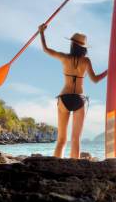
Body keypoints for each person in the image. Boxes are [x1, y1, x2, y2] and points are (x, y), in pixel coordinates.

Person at [39, 24, 107, 158]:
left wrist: (41, 33)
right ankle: (73, 168)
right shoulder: (86, 61)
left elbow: (46, 50)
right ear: (83, 48)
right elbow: (95, 79)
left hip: (64, 98)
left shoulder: (65, 58)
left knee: (61, 140)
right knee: (75, 139)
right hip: (78, 99)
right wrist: (108, 71)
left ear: (72, 45)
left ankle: (55, 167)